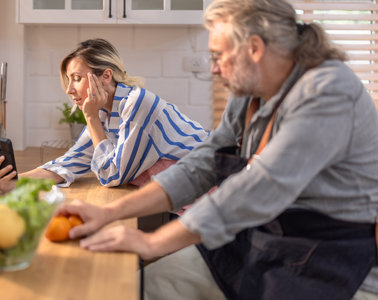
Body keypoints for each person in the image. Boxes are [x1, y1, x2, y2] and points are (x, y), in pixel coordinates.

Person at [54, 0, 378, 299]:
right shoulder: (249, 93)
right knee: (136, 288)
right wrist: (109, 213)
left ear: (254, 48)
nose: (213, 69)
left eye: (218, 56)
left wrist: (152, 242)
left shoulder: (327, 93)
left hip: (323, 261)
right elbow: (202, 163)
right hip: (253, 243)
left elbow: (257, 188)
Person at [0, 38, 209, 187]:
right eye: (69, 80)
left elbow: (112, 176)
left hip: (211, 185)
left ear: (105, 76)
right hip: (183, 191)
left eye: (77, 78)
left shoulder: (137, 104)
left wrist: (91, 118)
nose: (69, 89)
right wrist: (16, 181)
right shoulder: (105, 112)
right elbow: (68, 164)